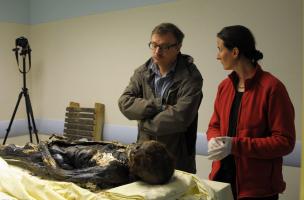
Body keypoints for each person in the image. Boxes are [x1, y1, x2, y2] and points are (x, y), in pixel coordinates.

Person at [206, 25, 295, 200]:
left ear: (235, 52)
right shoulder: (224, 87)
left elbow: (284, 142)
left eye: (220, 49)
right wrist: (214, 139)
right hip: (221, 182)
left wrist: (235, 145)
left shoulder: (272, 88)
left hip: (257, 191)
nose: (217, 56)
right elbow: (214, 125)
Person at [118, 22, 203, 173]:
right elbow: (124, 102)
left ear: (178, 47)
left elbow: (180, 117)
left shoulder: (191, 77)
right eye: (154, 45)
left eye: (164, 47)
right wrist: (158, 106)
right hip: (144, 156)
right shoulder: (142, 72)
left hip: (176, 160)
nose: (157, 51)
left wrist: (143, 121)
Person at [0, 137, 175, 191]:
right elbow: (97, 143)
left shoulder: (114, 170)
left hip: (57, 156)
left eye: (136, 150)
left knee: (11, 151)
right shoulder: (131, 153)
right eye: (137, 146)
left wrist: (44, 149)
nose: (133, 147)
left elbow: (61, 174)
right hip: (64, 146)